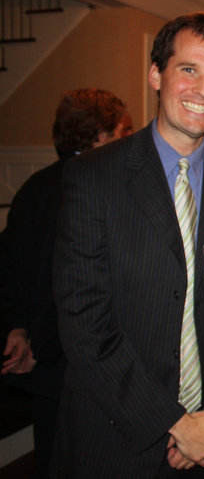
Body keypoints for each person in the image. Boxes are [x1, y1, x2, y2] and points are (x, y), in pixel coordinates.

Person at [51, 13, 204, 477]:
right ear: (156, 74)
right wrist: (172, 423)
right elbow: (84, 319)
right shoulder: (93, 178)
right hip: (117, 437)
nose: (203, 89)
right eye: (189, 70)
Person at [1, 88, 132, 478]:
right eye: (124, 130)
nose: (131, 138)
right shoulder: (109, 190)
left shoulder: (33, 189)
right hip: (92, 364)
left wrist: (18, 328)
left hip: (46, 362)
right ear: (100, 136)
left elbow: (11, 269)